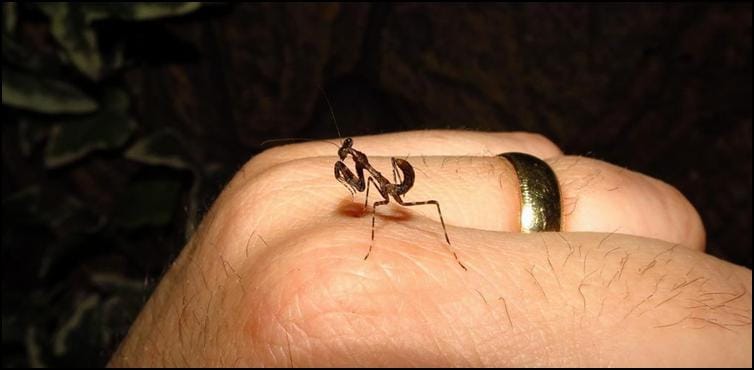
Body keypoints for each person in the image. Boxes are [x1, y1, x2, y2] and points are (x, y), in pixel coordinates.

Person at [108, 131, 751, 367]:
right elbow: (354, 181)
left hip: (412, 193)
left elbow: (380, 195)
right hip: (390, 183)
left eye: (347, 157)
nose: (345, 163)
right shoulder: (356, 170)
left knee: (433, 207)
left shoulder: (381, 182)